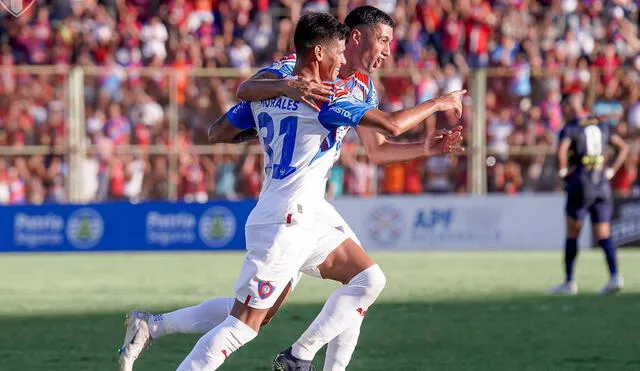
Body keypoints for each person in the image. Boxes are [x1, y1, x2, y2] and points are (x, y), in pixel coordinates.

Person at [119, 8, 465, 371]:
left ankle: (296, 356)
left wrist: (424, 149)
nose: (387, 51)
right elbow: (390, 126)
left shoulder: (344, 85)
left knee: (365, 280)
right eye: (382, 41)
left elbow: (376, 149)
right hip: (287, 213)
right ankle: (288, 356)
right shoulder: (320, 90)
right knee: (246, 323)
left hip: (308, 208)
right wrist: (440, 102)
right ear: (349, 40)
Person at [548, 92, 629, 296]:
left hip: (581, 183)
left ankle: (569, 282)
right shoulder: (601, 124)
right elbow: (624, 147)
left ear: (567, 106)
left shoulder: (571, 127)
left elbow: (560, 153)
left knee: (572, 232)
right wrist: (610, 170)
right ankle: (614, 276)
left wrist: (562, 172)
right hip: (601, 183)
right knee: (603, 233)